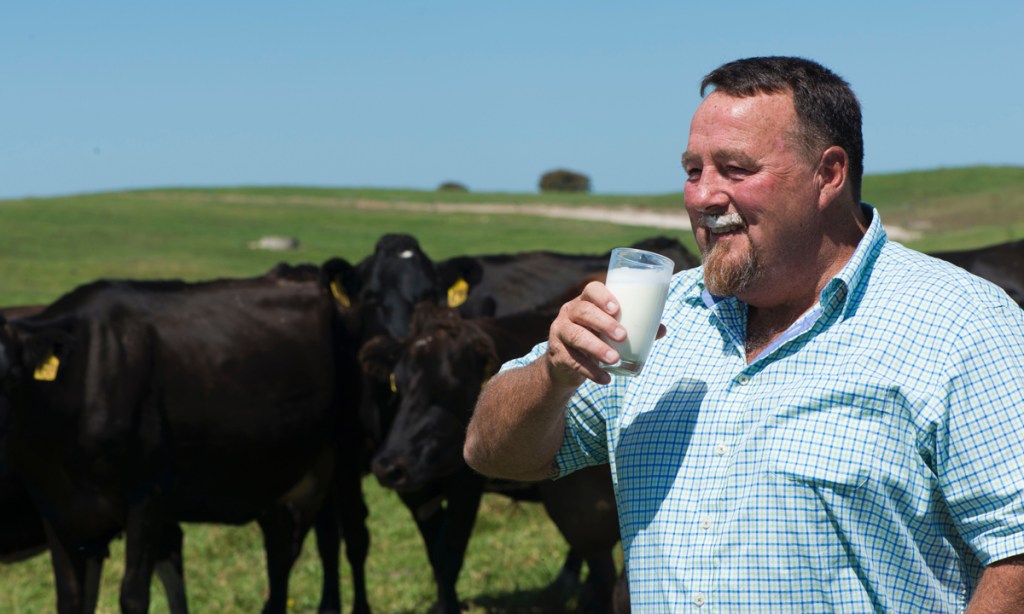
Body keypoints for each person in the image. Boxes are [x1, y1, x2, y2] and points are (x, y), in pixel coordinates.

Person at [463, 56, 1024, 612]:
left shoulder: (960, 324)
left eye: (734, 169)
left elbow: (1015, 556)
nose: (702, 196)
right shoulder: (658, 316)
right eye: (692, 170)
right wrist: (552, 376)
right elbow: (492, 453)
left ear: (828, 175)